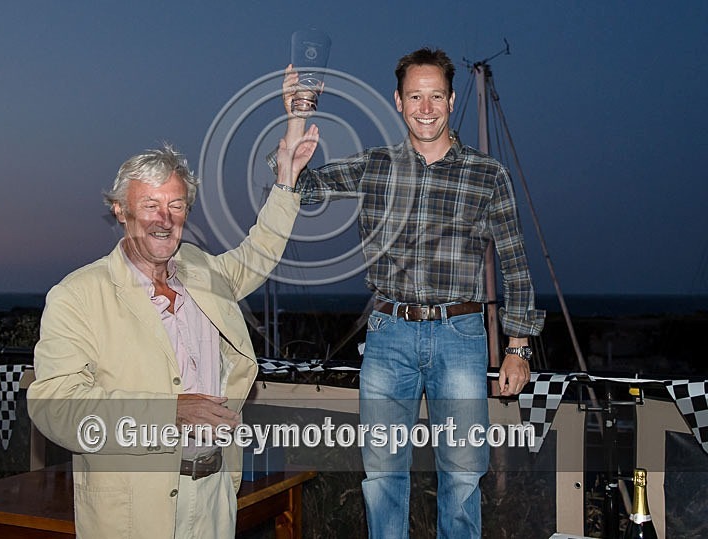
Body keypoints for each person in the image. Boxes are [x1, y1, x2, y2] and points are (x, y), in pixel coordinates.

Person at [273, 49, 545, 538]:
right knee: (381, 475)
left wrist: (518, 346)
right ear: (398, 101)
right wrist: (296, 120)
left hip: (461, 336)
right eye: (415, 96)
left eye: (435, 96)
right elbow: (298, 187)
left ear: (451, 99)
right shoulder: (375, 167)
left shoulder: (488, 175)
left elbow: (515, 262)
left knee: (463, 474)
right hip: (387, 336)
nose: (426, 107)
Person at [28, 125, 318, 539]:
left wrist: (286, 180)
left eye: (176, 205)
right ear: (121, 211)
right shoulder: (78, 295)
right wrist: (169, 411)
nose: (164, 220)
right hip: (132, 512)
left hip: (214, 496)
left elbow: (259, 252)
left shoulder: (204, 272)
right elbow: (55, 408)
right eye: (149, 205)